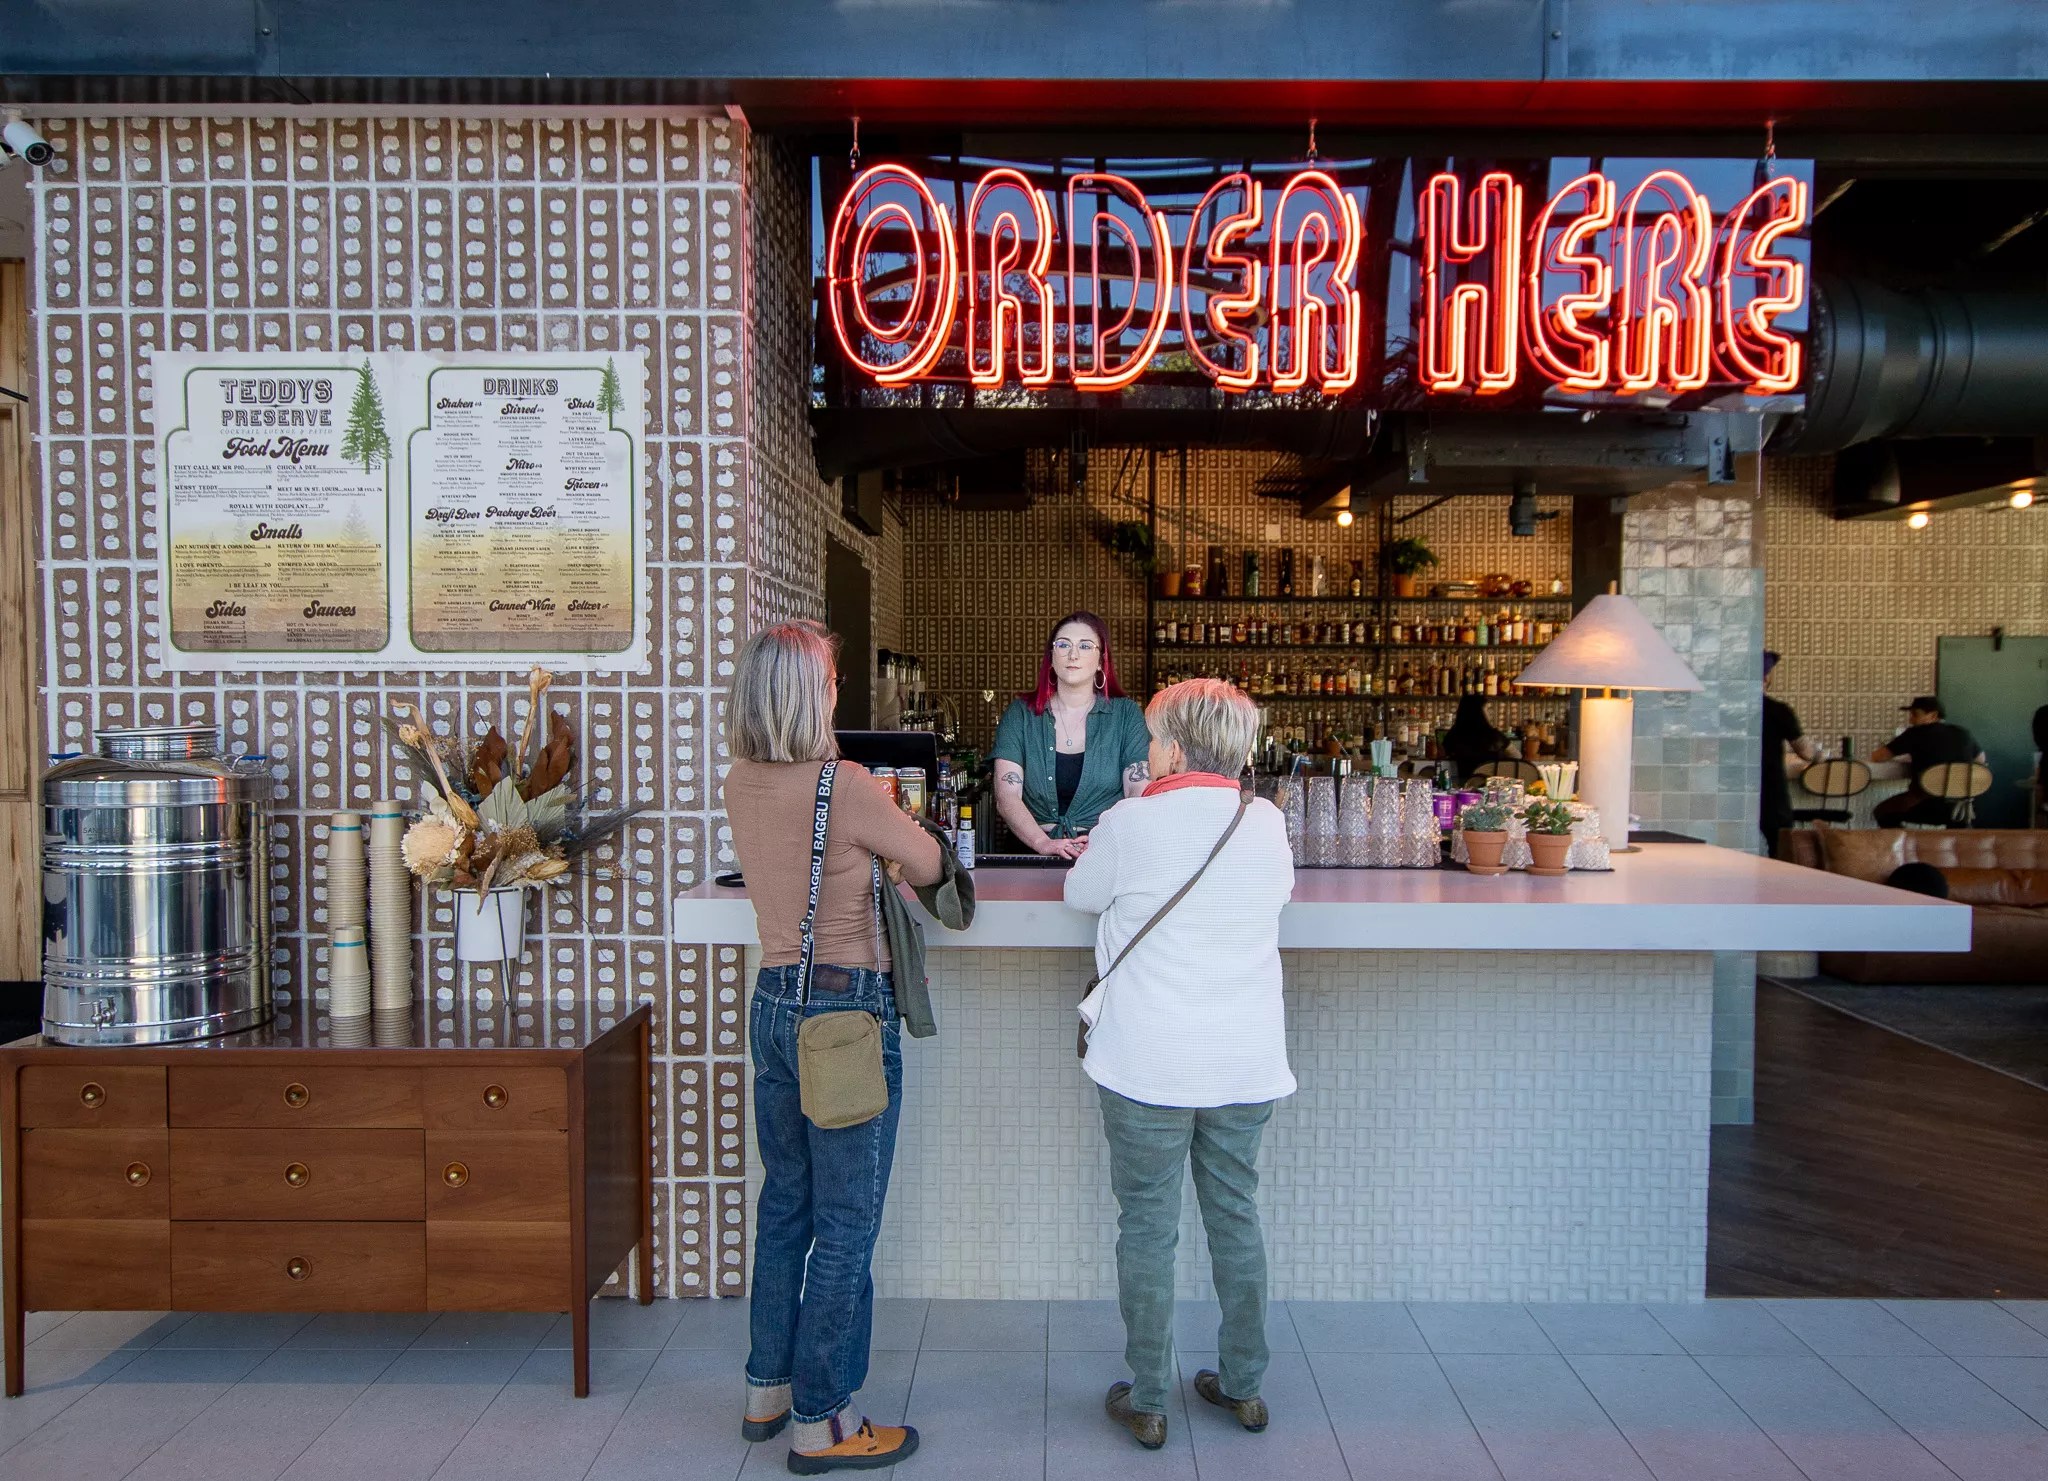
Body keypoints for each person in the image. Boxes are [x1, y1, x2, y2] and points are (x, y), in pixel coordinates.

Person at [722, 620, 943, 1475]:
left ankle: (767, 1389)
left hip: (773, 1006)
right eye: (829, 680)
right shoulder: (844, 786)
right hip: (845, 1015)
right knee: (848, 1224)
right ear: (808, 696)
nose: (838, 690)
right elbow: (929, 861)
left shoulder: (740, 779)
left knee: (787, 1206)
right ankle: (823, 1420)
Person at [1063, 678, 1295, 1451]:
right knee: (1236, 1213)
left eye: (1155, 735)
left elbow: (1079, 892)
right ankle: (1244, 1384)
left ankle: (1149, 1399)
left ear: (1177, 748)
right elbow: (1276, 894)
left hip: (1148, 1062)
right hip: (1242, 1060)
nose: (1149, 747)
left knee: (1147, 1225)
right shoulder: (1265, 822)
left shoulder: (1130, 822)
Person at [991, 611, 1151, 857]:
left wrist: (1103, 841)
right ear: (1051, 657)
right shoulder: (1021, 714)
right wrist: (1043, 843)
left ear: (1101, 660)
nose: (1073, 654)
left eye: (1085, 646)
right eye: (1063, 645)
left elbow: (1137, 789)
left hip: (1103, 853)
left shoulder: (1126, 714)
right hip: (1031, 854)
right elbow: (1007, 796)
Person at [1873, 696, 1982, 828]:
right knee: (1956, 821)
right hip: (1961, 807)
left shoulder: (1915, 733)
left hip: (1925, 804)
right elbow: (1980, 761)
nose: (1910, 719)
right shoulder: (1963, 733)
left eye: (1915, 714)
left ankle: (1906, 841)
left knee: (1882, 812)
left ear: (1933, 715)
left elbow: (1878, 757)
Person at [1760, 651, 1819, 849]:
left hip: (1731, 787)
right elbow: (1806, 752)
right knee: (1781, 845)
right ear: (1766, 678)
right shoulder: (1778, 711)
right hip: (1770, 787)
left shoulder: (1727, 709)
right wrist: (1819, 755)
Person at [1442, 694, 1507, 784]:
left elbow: (1442, 754)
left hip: (1466, 784)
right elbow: (1517, 756)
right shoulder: (1494, 735)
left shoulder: (1454, 734)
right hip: (1492, 786)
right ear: (1479, 712)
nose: (1489, 713)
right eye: (1487, 709)